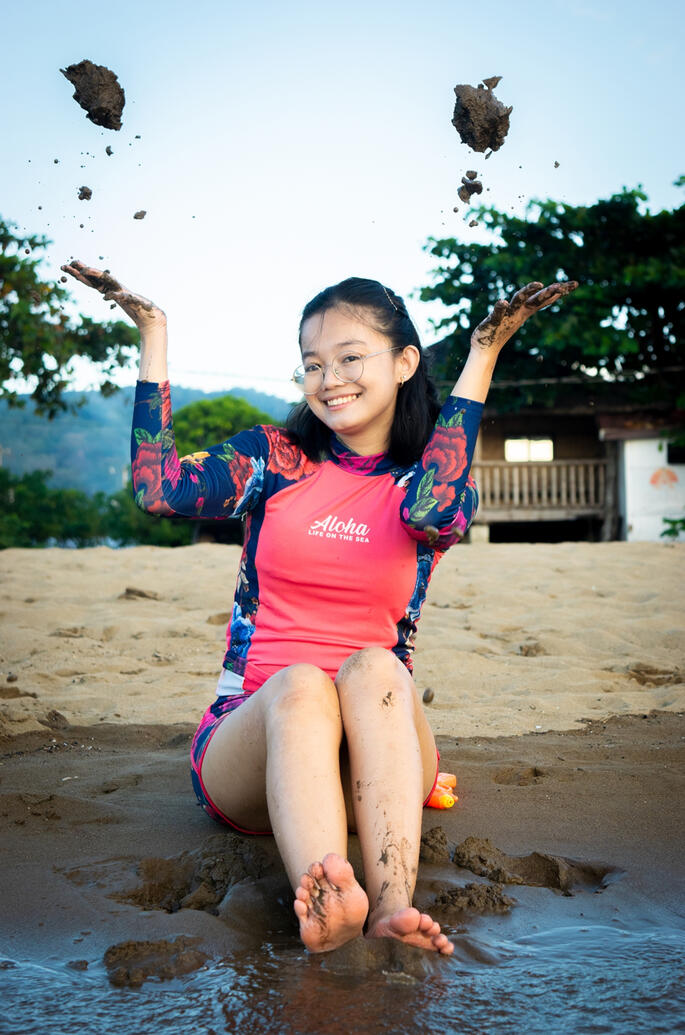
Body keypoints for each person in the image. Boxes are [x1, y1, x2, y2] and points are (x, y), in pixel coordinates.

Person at [61, 259, 577, 956]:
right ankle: (329, 895)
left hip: (381, 747)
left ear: (404, 363)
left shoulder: (426, 480)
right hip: (257, 743)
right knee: (304, 683)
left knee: (371, 665)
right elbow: (161, 489)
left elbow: (431, 507)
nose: (328, 379)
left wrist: (483, 352)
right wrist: (153, 334)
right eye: (311, 364)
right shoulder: (275, 459)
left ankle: (391, 906)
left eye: (350, 357)